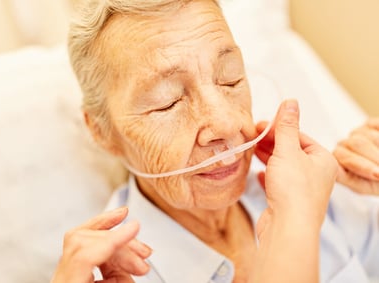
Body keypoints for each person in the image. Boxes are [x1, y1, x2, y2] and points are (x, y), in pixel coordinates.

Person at [51, 0, 379, 282]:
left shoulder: (311, 191)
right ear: (102, 131)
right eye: (168, 102)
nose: (226, 123)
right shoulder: (115, 273)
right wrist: (297, 225)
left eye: (230, 78)